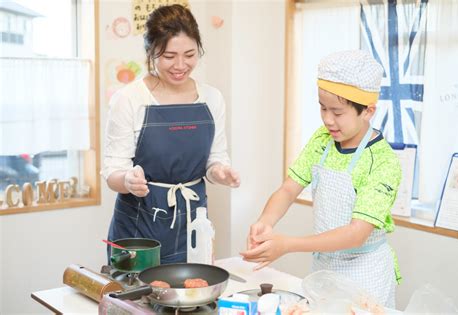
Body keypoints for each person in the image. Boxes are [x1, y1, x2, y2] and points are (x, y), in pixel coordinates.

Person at [241, 50, 402, 307]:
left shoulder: (383, 162)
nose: (328, 120)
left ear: (368, 111)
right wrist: (265, 222)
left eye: (337, 113)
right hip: (324, 267)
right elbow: (288, 189)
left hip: (365, 273)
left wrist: (287, 245)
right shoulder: (322, 140)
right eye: (323, 108)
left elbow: (356, 233)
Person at [102, 4, 240, 264]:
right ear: (150, 52)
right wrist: (128, 181)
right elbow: (112, 172)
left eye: (189, 54)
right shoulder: (130, 99)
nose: (180, 65)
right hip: (139, 228)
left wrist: (220, 171)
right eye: (168, 56)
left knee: (193, 294)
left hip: (193, 222)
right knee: (136, 300)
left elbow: (214, 159)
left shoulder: (211, 98)